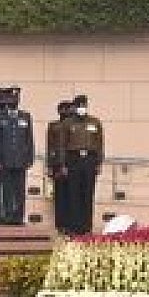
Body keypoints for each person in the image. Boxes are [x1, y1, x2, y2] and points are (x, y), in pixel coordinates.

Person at [0, 87, 34, 225]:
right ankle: (8, 215)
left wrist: (29, 157)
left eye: (16, 99)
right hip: (5, 159)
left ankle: (18, 217)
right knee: (7, 189)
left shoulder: (25, 116)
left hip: (20, 159)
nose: (14, 101)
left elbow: (29, 139)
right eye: (11, 99)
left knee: (20, 189)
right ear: (6, 101)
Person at [63, 95, 103, 236]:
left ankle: (87, 226)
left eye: (84, 105)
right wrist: (64, 164)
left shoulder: (95, 122)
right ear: (75, 107)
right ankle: (75, 226)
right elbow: (63, 145)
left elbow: (99, 144)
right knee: (74, 194)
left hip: (90, 159)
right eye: (79, 105)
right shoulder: (68, 123)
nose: (82, 108)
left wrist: (99, 162)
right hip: (73, 159)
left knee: (88, 193)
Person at [47, 101, 74, 234]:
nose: (65, 112)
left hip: (73, 164)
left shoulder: (74, 125)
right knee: (60, 195)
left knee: (72, 195)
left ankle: (71, 223)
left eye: (67, 109)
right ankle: (60, 224)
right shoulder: (54, 126)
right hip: (58, 164)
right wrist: (50, 166)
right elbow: (50, 146)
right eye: (62, 110)